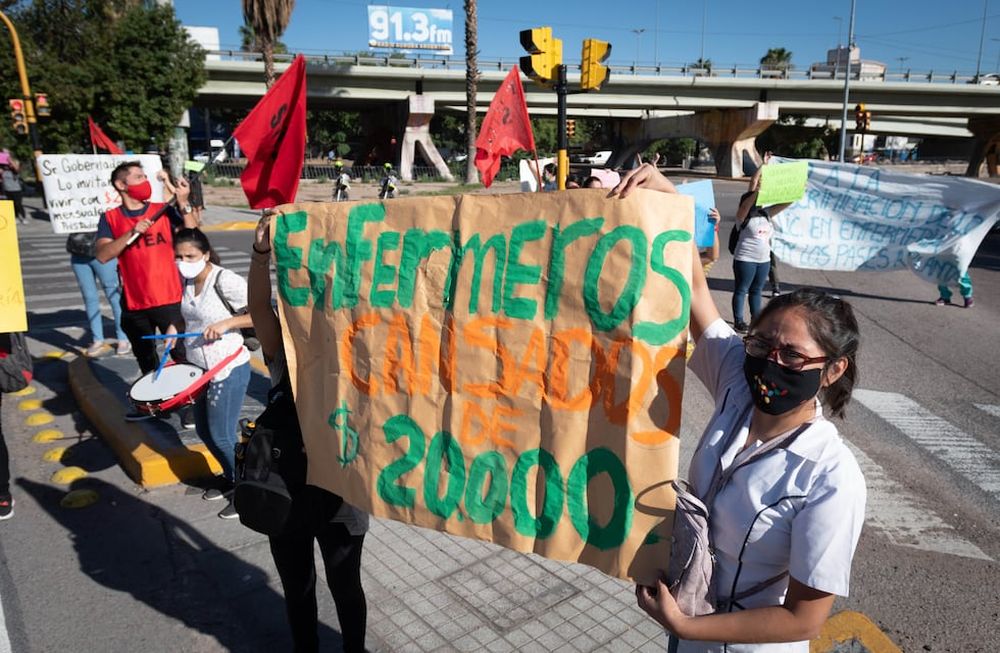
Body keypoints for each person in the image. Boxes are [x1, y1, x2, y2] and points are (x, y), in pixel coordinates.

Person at [611, 164, 866, 653]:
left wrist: (689, 628)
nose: (772, 363)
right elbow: (697, 292)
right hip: (685, 631)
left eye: (792, 355)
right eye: (762, 343)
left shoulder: (832, 478)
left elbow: (804, 618)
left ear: (832, 370)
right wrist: (672, 201)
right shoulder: (736, 377)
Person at [249, 213, 369, 652]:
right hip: (286, 486)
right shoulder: (284, 346)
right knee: (298, 587)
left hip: (341, 489)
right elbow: (260, 309)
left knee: (345, 585)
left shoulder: (362, 347)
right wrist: (261, 255)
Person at [95, 162, 198, 419]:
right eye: (138, 177)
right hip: (134, 302)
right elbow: (103, 254)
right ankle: (153, 403)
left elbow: (192, 232)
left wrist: (183, 202)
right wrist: (132, 231)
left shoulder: (160, 211)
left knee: (180, 353)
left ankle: (188, 405)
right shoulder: (110, 218)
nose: (145, 181)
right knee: (146, 359)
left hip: (169, 296)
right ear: (121, 185)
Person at [168, 228, 253, 518]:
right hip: (198, 370)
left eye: (190, 255)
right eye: (178, 256)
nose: (183, 261)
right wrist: (173, 328)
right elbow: (188, 314)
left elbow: (260, 312)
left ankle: (247, 492)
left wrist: (228, 323)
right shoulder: (188, 279)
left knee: (222, 435)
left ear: (205, 254)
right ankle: (229, 479)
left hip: (226, 367)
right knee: (204, 431)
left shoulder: (225, 280)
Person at [730, 190, 791, 333]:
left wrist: (798, 190)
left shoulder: (766, 214)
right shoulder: (743, 217)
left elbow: (786, 203)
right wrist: (757, 191)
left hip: (764, 261)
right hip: (745, 260)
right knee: (742, 289)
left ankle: (756, 320)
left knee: (756, 290)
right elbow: (745, 207)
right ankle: (738, 321)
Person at [65, 231, 130, 357]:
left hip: (103, 250)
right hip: (79, 253)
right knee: (89, 298)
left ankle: (123, 338)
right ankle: (97, 339)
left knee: (114, 296)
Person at [0, 156, 26, 224]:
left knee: (18, 204)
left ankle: (23, 217)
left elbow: (16, 168)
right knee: (12, 205)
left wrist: (9, 159)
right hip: (7, 190)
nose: (10, 165)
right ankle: (15, 217)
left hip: (16, 190)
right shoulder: (3, 171)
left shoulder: (15, 171)